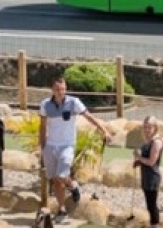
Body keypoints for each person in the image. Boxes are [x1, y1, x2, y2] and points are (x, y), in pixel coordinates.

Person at [39, 76, 111, 224]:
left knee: (62, 175)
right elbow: (43, 126)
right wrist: (43, 147)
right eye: (58, 89)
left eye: (63, 89)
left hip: (67, 145)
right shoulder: (45, 105)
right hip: (51, 146)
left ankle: (73, 185)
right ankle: (62, 209)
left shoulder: (74, 102)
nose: (61, 92)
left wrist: (104, 130)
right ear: (52, 90)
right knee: (56, 181)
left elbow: (89, 116)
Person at [133, 116, 163, 228]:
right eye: (145, 127)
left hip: (152, 177)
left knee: (152, 205)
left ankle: (155, 225)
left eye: (149, 127)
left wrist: (139, 158)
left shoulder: (156, 142)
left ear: (155, 128)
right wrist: (138, 161)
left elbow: (151, 162)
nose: (147, 130)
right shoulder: (148, 141)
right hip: (146, 176)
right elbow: (145, 158)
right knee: (150, 205)